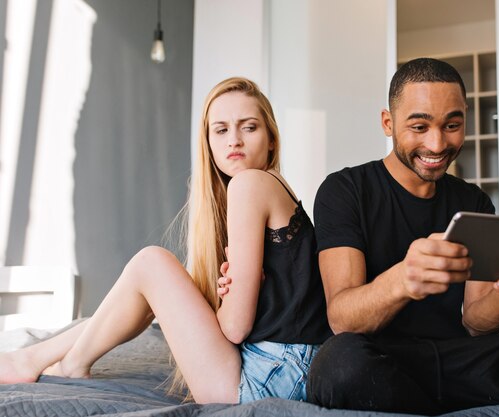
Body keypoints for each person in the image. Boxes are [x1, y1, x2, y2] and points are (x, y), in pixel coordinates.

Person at [0, 77, 331, 404]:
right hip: (289, 370)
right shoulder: (275, 185)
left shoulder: (249, 185)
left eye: (248, 127)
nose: (234, 140)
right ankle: (40, 358)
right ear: (209, 143)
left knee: (151, 264)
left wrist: (228, 301)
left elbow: (234, 329)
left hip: (270, 379)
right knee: (145, 289)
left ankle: (64, 363)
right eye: (221, 130)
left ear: (271, 139)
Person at [305, 58, 499, 417]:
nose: (437, 143)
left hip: (454, 360)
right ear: (388, 122)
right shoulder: (345, 190)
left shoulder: (473, 202)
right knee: (338, 363)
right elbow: (343, 319)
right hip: (380, 359)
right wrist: (403, 279)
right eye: (419, 126)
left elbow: (476, 323)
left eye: (452, 125)